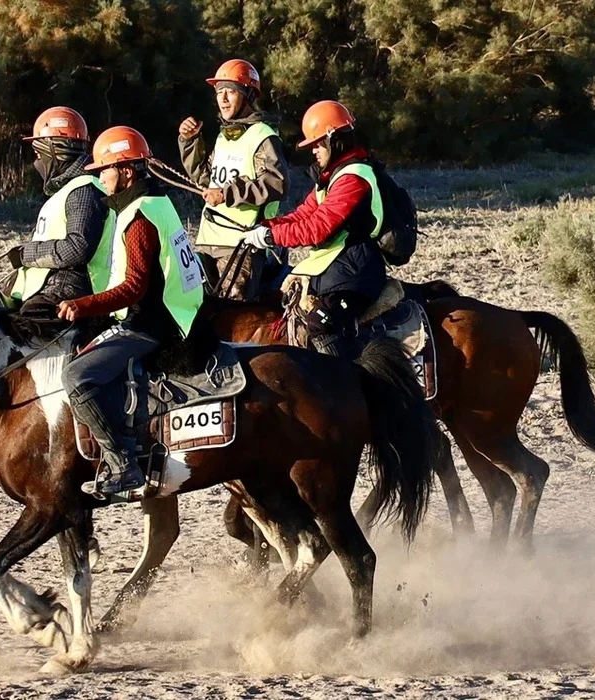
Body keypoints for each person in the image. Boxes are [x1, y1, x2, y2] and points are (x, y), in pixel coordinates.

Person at [59, 126, 205, 496]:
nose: (99, 176)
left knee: (78, 376)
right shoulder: (156, 202)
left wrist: (83, 305)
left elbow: (134, 287)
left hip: (155, 324)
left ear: (126, 171)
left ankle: (123, 465)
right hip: (176, 313)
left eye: (104, 169)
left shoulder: (138, 217)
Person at [240, 100, 386, 359]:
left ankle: (356, 388)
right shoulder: (334, 177)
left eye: (318, 144)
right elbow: (302, 215)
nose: (314, 151)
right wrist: (264, 226)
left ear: (335, 140)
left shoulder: (353, 178)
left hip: (356, 272)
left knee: (321, 324)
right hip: (338, 268)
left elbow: (317, 229)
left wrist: (271, 236)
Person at [178, 59, 288, 300]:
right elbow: (205, 179)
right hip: (208, 242)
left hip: (242, 246)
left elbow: (276, 183)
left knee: (233, 323)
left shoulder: (263, 136)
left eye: (231, 91)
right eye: (219, 92)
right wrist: (189, 142)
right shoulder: (224, 137)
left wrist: (227, 193)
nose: (223, 99)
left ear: (248, 95)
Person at [6, 107, 111, 324]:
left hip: (68, 287)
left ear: (56, 150)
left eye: (39, 150)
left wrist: (26, 254)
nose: (37, 158)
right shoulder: (70, 188)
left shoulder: (84, 189)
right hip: (55, 283)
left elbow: (78, 247)